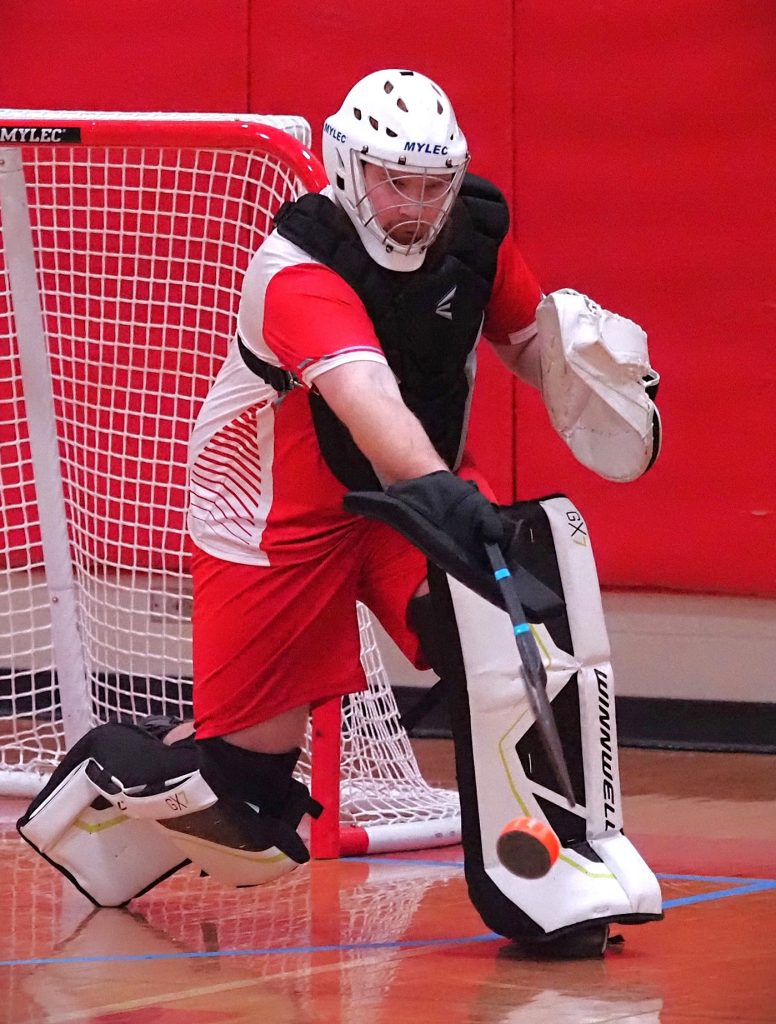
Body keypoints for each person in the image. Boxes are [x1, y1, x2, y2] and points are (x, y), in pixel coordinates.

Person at [184, 68, 545, 763]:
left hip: (401, 501)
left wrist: (594, 370)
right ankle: (105, 781)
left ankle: (523, 834)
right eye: (395, 181)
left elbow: (529, 342)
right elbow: (367, 395)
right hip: (276, 518)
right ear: (350, 169)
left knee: (499, 646)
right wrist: (446, 496)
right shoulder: (297, 270)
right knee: (247, 788)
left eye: (433, 185)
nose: (417, 205)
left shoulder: (474, 238)